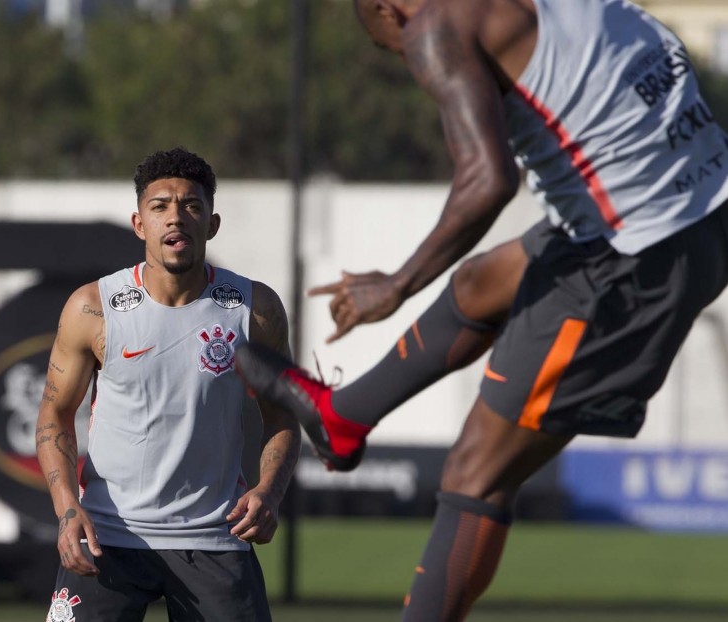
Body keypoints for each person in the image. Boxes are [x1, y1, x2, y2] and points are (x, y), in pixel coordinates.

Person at [233, 0, 728, 620]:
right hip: (703, 215)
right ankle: (344, 418)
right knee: (480, 283)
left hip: (628, 260)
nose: (410, 58)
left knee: (475, 472)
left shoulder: (435, 25)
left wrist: (398, 284)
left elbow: (488, 179)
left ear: (390, 11)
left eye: (393, 47)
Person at [36, 147, 300, 622]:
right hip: (109, 539)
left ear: (212, 224)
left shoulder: (254, 309)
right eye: (159, 207)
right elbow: (53, 415)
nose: (175, 218)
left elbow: (283, 414)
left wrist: (270, 492)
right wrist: (66, 509)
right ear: (140, 224)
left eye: (191, 206)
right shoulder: (93, 306)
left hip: (216, 539)